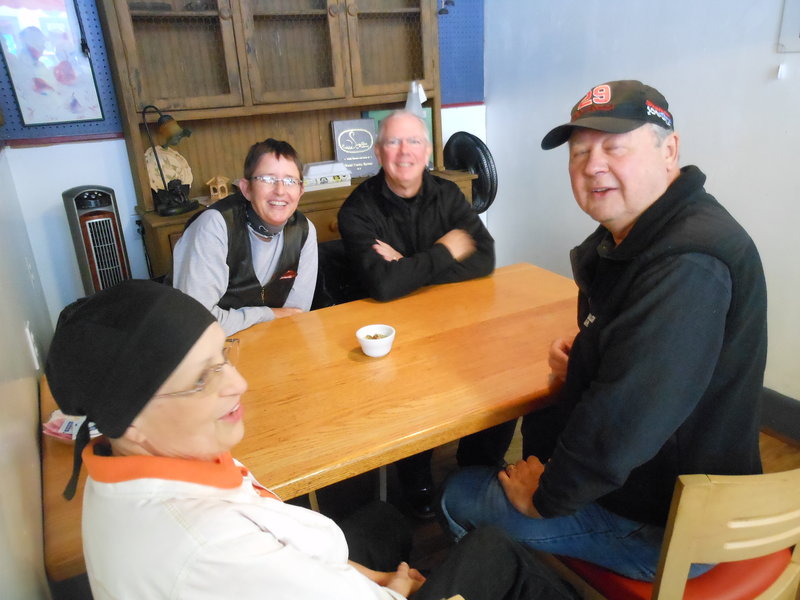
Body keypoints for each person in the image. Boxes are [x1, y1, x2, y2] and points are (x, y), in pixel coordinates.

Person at [45, 279, 578, 600]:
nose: (238, 383)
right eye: (204, 378)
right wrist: (387, 588)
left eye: (224, 354)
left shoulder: (117, 457)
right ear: (130, 419)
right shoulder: (206, 547)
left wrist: (368, 575)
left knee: (384, 523)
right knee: (491, 550)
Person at [439, 80, 768, 582]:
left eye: (615, 147)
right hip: (666, 478)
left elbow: (624, 423)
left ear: (669, 151)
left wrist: (546, 497)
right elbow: (655, 369)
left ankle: (523, 586)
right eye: (579, 153)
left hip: (672, 524)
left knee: (459, 494)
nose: (592, 165)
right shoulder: (640, 234)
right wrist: (592, 360)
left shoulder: (686, 264)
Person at [337, 110, 515, 518]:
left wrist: (407, 266)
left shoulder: (449, 194)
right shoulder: (358, 209)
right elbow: (382, 286)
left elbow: (484, 259)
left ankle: (478, 462)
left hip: (451, 318)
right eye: (394, 143)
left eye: (413, 142)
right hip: (392, 329)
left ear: (428, 151)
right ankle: (416, 479)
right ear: (379, 151)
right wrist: (443, 252)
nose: (404, 152)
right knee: (410, 391)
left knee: (501, 369)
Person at [171, 138, 318, 336]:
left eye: (290, 181)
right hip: (207, 350)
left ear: (301, 191)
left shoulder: (304, 231)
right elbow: (197, 324)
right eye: (267, 179)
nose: (280, 191)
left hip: (270, 343)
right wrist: (267, 315)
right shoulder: (214, 226)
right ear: (246, 188)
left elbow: (295, 314)